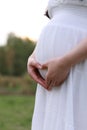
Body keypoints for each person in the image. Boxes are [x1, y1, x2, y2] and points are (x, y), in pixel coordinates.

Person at [27, 0, 87, 130]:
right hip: (53, 77)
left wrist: (66, 62)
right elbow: (58, 18)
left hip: (80, 63)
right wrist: (34, 55)